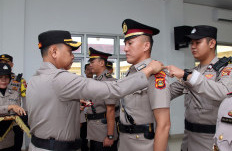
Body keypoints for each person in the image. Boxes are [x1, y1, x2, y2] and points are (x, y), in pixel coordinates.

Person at [26, 30, 164, 151]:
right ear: (54, 52)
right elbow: (114, 88)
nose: (73, 56)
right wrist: (149, 70)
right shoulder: (60, 79)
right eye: (69, 51)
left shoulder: (34, 79)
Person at [166, 25, 232, 151]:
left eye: (198, 42)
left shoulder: (225, 70)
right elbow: (168, 92)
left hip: (210, 139)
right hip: (188, 138)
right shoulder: (192, 72)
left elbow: (224, 93)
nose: (193, 46)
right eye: (192, 43)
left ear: (212, 43)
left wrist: (187, 76)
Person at [118, 19, 171, 151]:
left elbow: (164, 125)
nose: (125, 48)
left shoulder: (155, 75)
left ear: (146, 46)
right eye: (125, 43)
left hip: (143, 145)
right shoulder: (132, 73)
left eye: (130, 43)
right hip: (125, 142)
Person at [87, 47, 119, 151]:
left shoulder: (108, 82)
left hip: (103, 131)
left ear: (101, 63)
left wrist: (110, 136)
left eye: (92, 62)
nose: (90, 65)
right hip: (94, 129)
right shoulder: (97, 80)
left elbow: (110, 110)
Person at [0, 54, 28, 151]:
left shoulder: (19, 80)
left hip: (15, 123)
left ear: (11, 64)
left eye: (6, 62)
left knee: (15, 146)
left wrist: (24, 119)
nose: (3, 64)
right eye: (1, 62)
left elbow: (25, 100)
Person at [79, 63, 93, 151]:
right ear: (84, 71)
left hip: (94, 116)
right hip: (83, 115)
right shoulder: (82, 83)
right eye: (87, 69)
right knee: (83, 137)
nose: (90, 71)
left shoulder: (97, 83)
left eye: (91, 69)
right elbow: (79, 98)